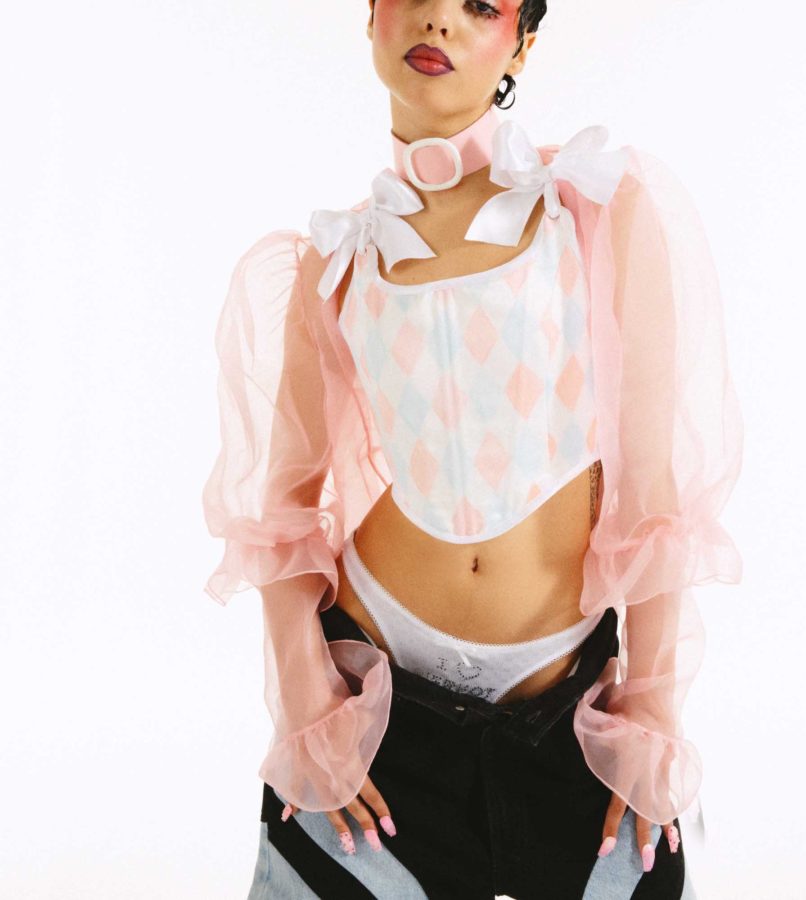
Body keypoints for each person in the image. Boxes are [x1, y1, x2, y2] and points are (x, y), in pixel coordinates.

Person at [201, 1, 743, 897]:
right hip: (375, 704)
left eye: (481, 5)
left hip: (570, 710)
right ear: (370, 17)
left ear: (520, 44)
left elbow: (656, 492)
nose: (439, 21)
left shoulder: (594, 207)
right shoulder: (331, 263)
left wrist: (650, 710)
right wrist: (307, 704)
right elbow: (284, 513)